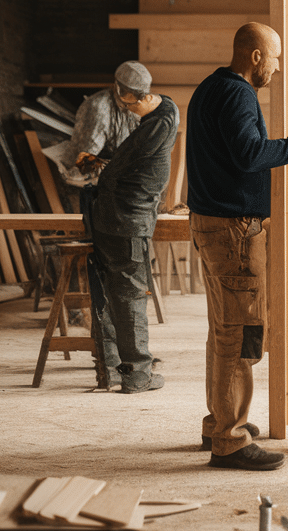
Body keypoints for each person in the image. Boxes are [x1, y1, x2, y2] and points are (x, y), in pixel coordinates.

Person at [187, 22, 288, 471]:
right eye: (275, 58)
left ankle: (219, 422)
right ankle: (230, 440)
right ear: (255, 56)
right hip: (233, 231)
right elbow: (250, 155)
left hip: (212, 224)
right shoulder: (238, 94)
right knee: (240, 332)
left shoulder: (209, 88)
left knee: (223, 329)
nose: (277, 67)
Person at [87, 62, 179, 394]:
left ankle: (126, 370)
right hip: (124, 223)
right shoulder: (166, 110)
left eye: (127, 104)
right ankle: (132, 372)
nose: (126, 110)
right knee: (125, 295)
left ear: (125, 94)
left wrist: (100, 165)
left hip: (124, 221)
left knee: (123, 295)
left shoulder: (153, 129)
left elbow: (115, 173)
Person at [46, 62, 145, 190]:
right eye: (131, 95)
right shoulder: (99, 108)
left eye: (140, 96)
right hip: (86, 166)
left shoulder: (137, 107)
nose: (137, 102)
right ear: (118, 88)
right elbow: (85, 161)